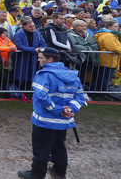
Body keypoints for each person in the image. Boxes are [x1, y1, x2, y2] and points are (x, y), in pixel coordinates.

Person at [17, 48, 85, 179]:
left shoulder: (44, 75)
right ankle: (59, 172)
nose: (38, 60)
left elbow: (41, 96)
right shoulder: (73, 76)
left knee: (41, 148)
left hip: (44, 121)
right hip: (63, 122)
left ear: (50, 59)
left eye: (41, 57)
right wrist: (70, 109)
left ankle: (37, 174)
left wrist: (59, 110)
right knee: (59, 146)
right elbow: (80, 97)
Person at [13, 17, 47, 89]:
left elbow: (43, 43)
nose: (33, 28)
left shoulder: (37, 33)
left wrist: (40, 49)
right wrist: (34, 50)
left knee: (33, 74)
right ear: (25, 27)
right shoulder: (19, 34)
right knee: (21, 74)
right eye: (30, 27)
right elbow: (19, 45)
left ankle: (30, 88)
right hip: (22, 57)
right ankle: (19, 89)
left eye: (33, 26)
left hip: (34, 57)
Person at [93, 20, 121, 95]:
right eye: (116, 26)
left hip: (109, 60)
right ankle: (103, 94)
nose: (118, 28)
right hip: (108, 61)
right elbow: (112, 48)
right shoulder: (108, 36)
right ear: (109, 27)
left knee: (104, 78)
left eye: (118, 26)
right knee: (104, 79)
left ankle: (102, 93)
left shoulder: (109, 35)